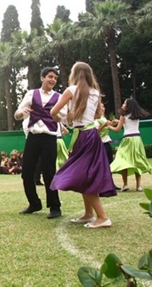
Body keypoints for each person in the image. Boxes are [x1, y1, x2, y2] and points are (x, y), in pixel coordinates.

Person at [49, 62, 116, 228]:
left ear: (75, 74)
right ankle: (88, 214)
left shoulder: (71, 90)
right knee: (86, 174)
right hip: (91, 135)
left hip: (83, 136)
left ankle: (102, 217)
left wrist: (62, 119)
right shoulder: (95, 92)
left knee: (83, 175)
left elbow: (53, 112)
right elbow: (97, 114)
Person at [14, 67, 66, 219]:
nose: (53, 80)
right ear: (42, 78)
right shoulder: (31, 94)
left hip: (50, 138)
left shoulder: (59, 96)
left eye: (55, 78)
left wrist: (60, 119)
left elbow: (64, 117)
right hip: (33, 137)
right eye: (50, 77)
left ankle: (55, 207)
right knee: (26, 173)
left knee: (50, 173)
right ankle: (34, 203)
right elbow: (18, 113)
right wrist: (20, 114)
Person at [108, 98, 152, 192]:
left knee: (122, 160)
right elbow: (128, 123)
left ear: (128, 106)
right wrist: (118, 121)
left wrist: (108, 126)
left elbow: (117, 130)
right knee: (137, 160)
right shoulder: (136, 115)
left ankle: (125, 184)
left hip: (127, 140)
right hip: (137, 139)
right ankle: (138, 186)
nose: (123, 104)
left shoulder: (123, 115)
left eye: (125, 103)